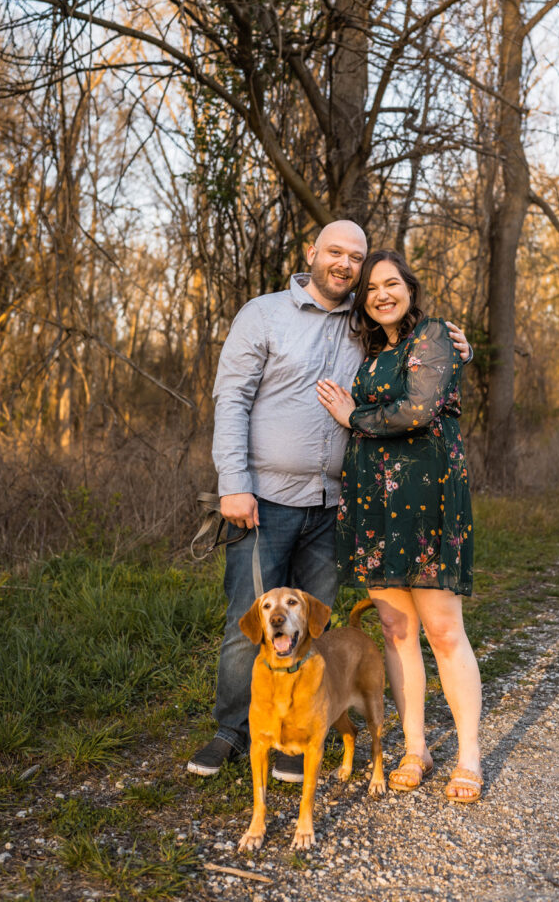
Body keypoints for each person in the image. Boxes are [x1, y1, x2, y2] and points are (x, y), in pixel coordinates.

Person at [187, 223, 472, 784]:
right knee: (249, 620)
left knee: (311, 626)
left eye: (356, 258)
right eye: (335, 252)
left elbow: (416, 365)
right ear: (311, 253)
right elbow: (232, 398)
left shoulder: (364, 326)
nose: (344, 264)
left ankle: (301, 730)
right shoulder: (263, 314)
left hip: (336, 505)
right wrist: (233, 483)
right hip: (263, 498)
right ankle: (232, 729)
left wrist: (455, 345)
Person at [317, 249, 482, 802]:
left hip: (428, 502)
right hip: (375, 506)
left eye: (392, 284)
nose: (382, 294)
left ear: (410, 289)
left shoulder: (433, 337)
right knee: (396, 632)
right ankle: (415, 748)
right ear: (362, 302)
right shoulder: (370, 355)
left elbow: (418, 410)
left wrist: (352, 417)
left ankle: (470, 756)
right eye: (371, 289)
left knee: (442, 631)